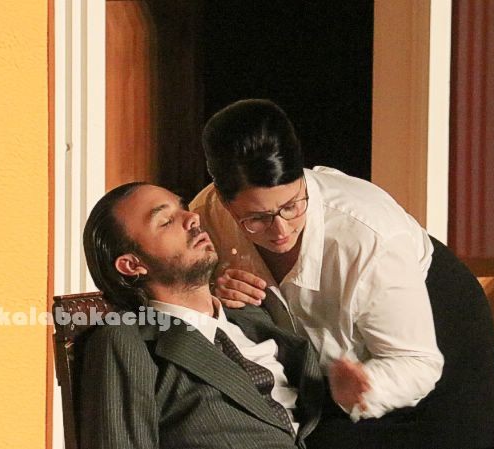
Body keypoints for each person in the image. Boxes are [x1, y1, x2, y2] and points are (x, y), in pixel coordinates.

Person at [189, 99, 445, 447]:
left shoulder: (368, 238)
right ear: (222, 199)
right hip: (311, 373)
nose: (280, 231)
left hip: (422, 337)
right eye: (257, 218)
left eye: (292, 205)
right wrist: (209, 289)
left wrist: (367, 386)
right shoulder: (206, 214)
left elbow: (417, 363)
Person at [79, 181, 325, 449]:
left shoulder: (251, 314)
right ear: (132, 265)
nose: (192, 218)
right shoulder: (127, 342)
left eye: (182, 207)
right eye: (166, 221)